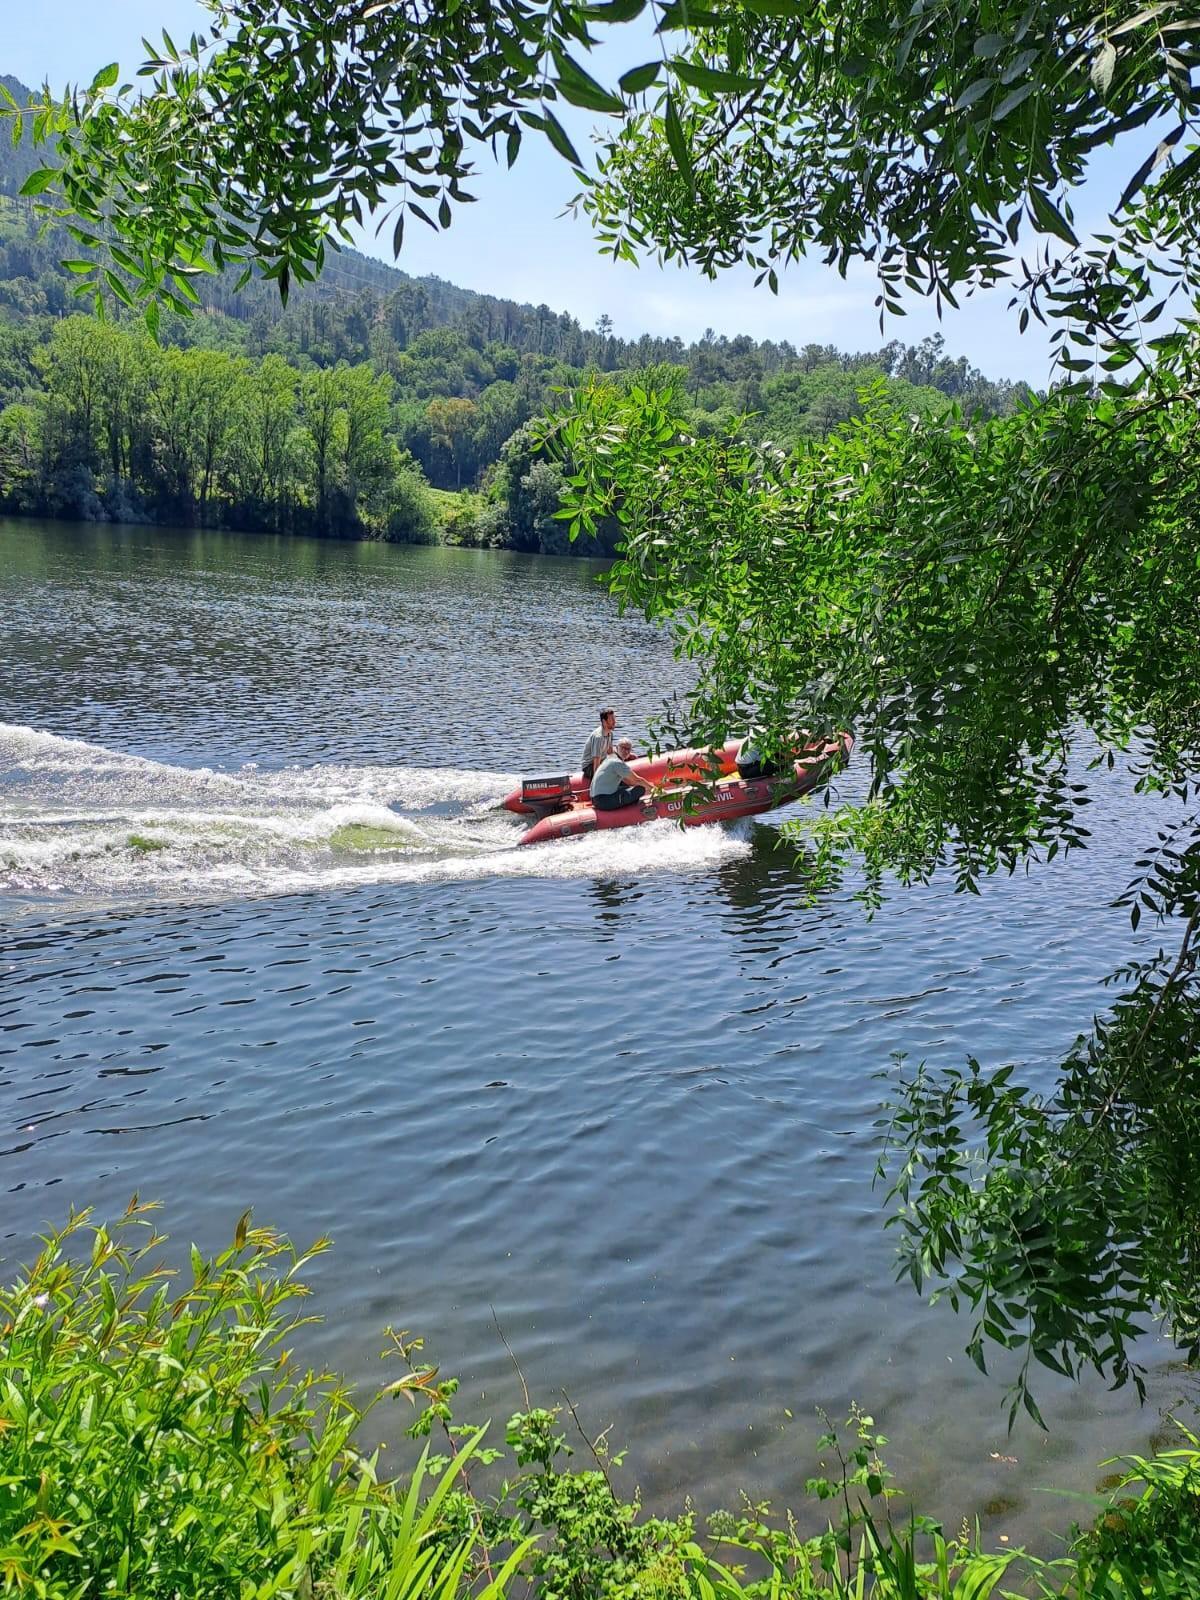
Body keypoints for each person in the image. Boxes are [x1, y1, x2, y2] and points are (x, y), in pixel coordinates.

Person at [590, 738, 649, 810]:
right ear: (616, 747)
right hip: (604, 801)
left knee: (626, 787)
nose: (626, 751)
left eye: (628, 749)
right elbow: (638, 780)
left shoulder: (609, 759)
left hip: (595, 800)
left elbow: (628, 781)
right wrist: (654, 789)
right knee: (640, 789)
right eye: (623, 748)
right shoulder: (617, 763)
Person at [581, 708, 615, 784]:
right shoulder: (598, 737)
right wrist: (598, 783)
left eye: (614, 718)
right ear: (604, 721)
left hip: (602, 761)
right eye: (611, 719)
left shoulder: (610, 733)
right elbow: (596, 764)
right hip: (589, 766)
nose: (614, 722)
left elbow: (610, 753)